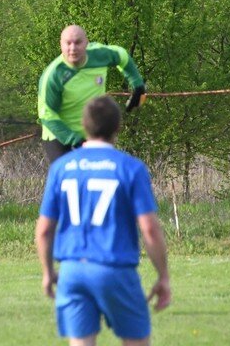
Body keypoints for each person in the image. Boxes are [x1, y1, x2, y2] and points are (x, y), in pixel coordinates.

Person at [35, 95, 170, 346]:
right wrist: (163, 276)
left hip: (72, 271)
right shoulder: (130, 168)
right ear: (117, 127)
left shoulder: (61, 168)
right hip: (114, 269)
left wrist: (47, 272)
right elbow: (149, 228)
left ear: (83, 126)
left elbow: (44, 230)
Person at [38, 25, 146, 162]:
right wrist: (75, 141)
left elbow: (123, 56)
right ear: (61, 44)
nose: (73, 48)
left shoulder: (100, 54)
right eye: (68, 43)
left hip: (92, 133)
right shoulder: (53, 75)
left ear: (86, 42)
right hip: (60, 136)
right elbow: (47, 115)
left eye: (78, 42)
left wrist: (138, 85)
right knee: (68, 180)